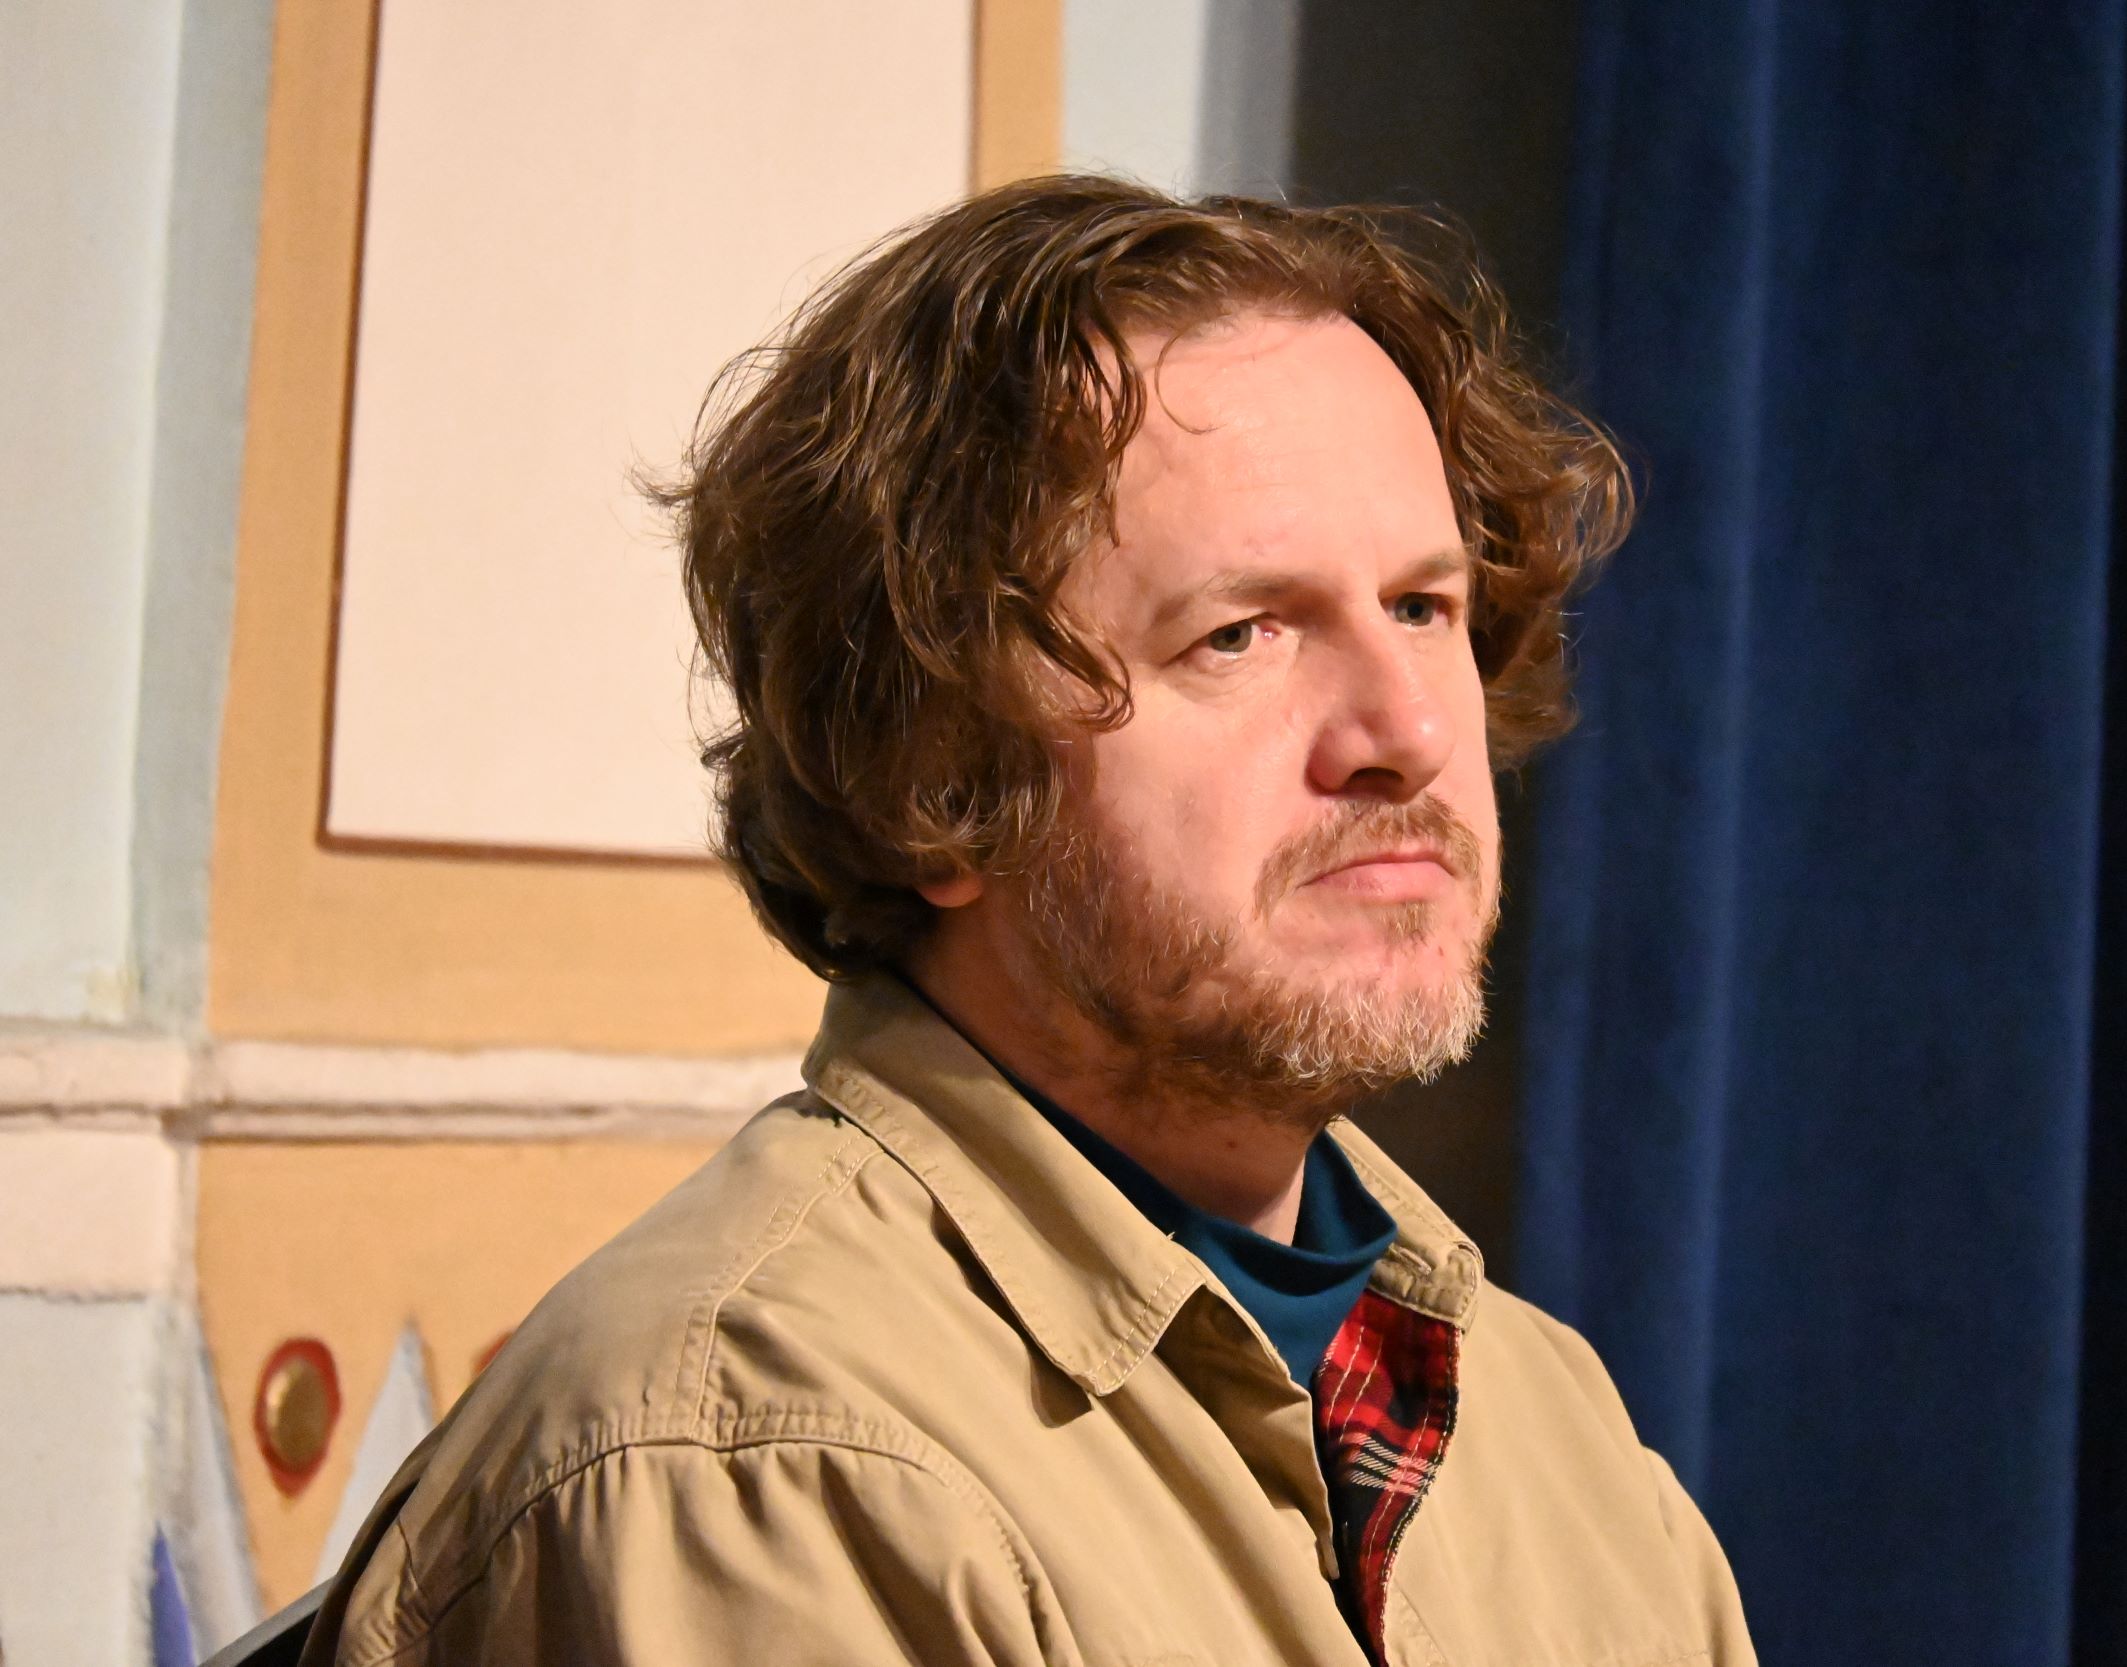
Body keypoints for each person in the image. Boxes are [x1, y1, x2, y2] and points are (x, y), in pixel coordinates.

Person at [301, 175, 1753, 1667]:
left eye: (1423, 609)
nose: (1409, 733)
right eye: (1241, 634)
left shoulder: (1554, 1432)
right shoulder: (760, 1472)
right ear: (934, 771)